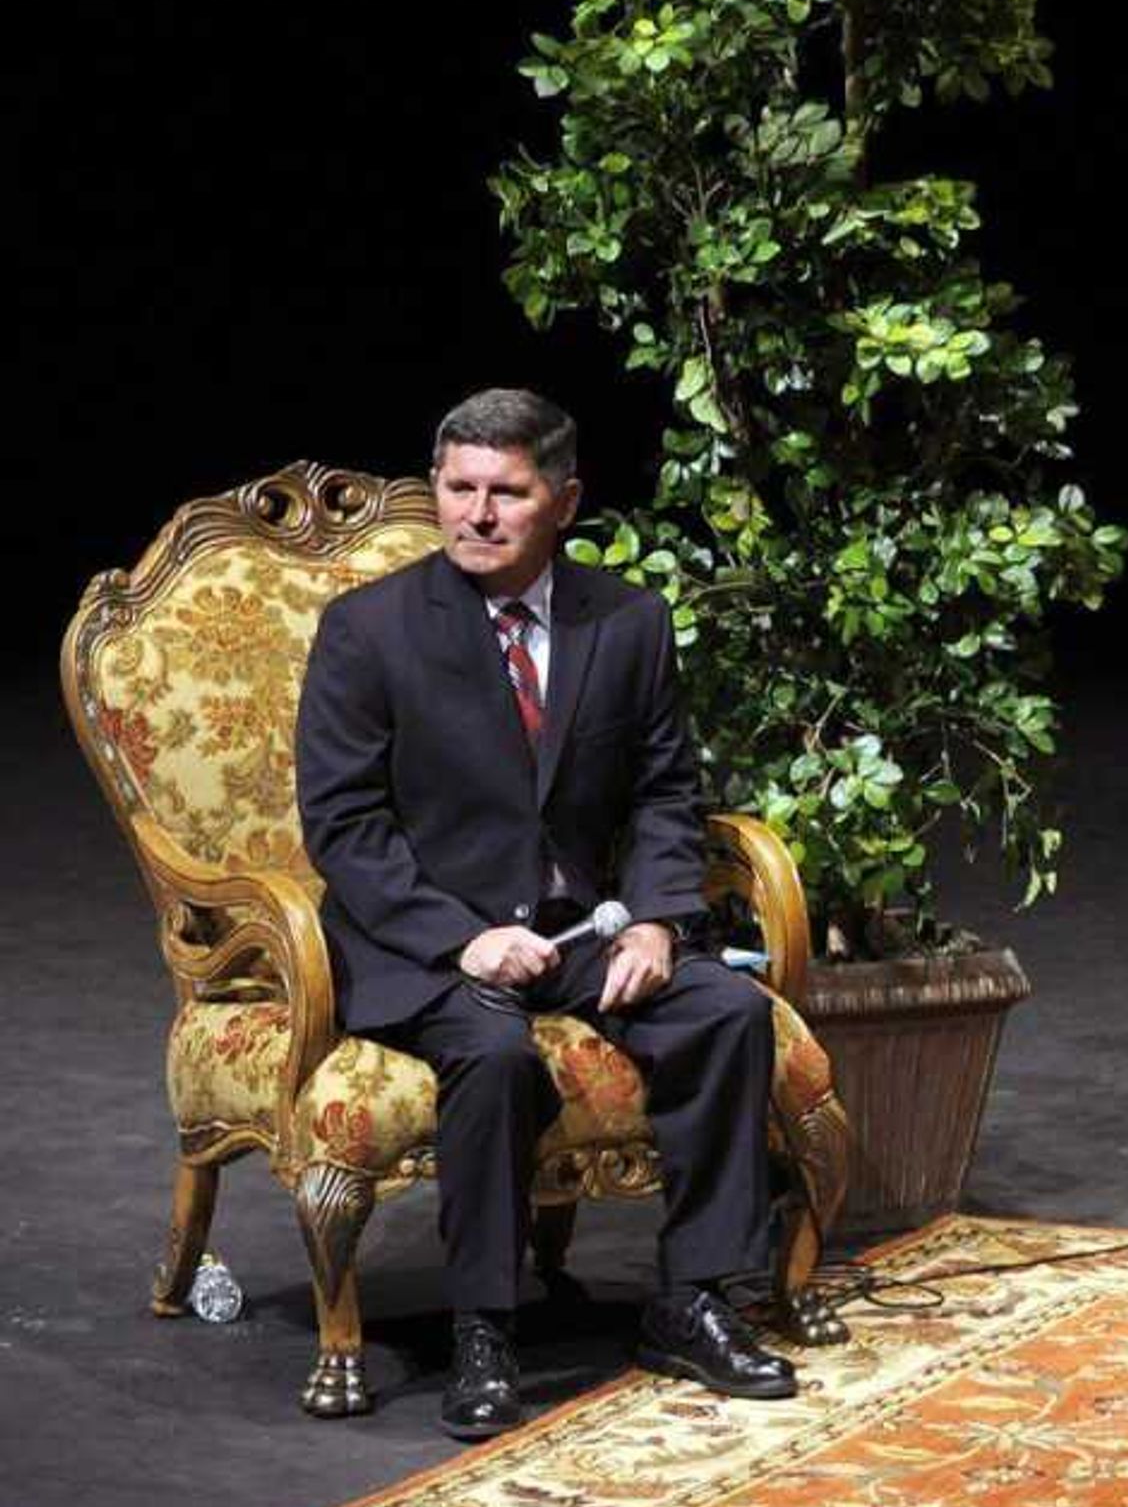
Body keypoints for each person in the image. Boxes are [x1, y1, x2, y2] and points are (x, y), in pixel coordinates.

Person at [293, 389, 797, 1440]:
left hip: (579, 925)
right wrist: (462, 936)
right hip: (428, 941)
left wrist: (658, 921)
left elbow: (666, 791)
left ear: (562, 501)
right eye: (458, 488)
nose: (476, 513)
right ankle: (486, 1324)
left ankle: (694, 1296)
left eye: (506, 493)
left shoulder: (626, 623)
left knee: (725, 1013)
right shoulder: (370, 630)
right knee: (494, 1052)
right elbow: (344, 824)